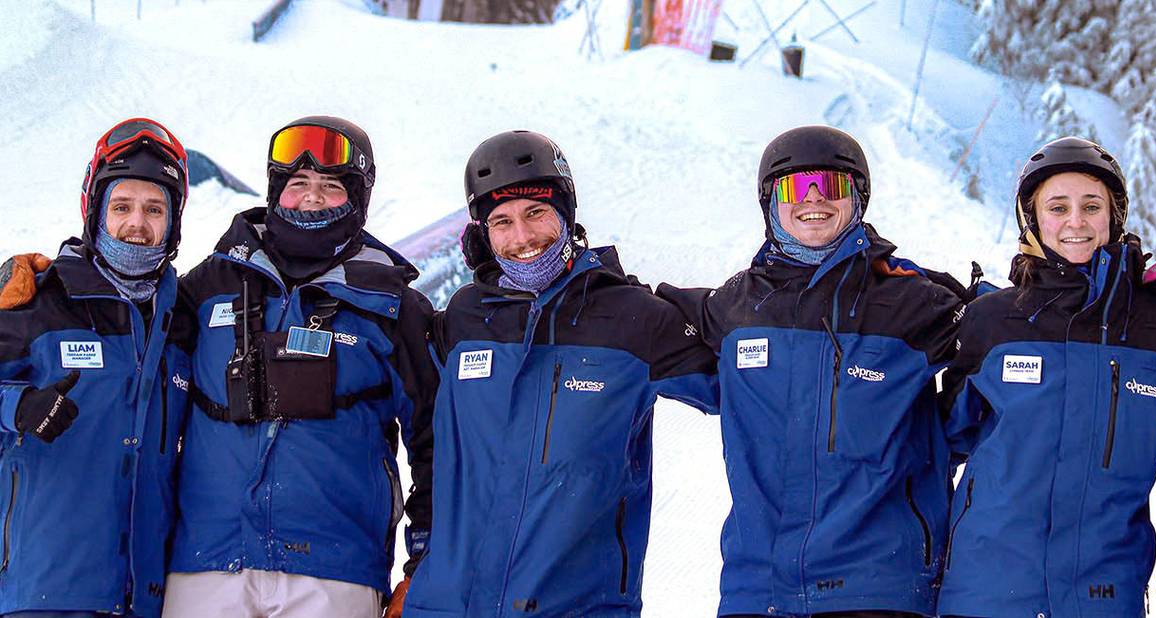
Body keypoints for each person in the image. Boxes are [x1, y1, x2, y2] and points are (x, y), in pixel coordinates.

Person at [400, 130, 717, 618]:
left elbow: (749, 378)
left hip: (574, 606)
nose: (522, 238)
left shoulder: (633, 319)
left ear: (565, 213)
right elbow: (413, 427)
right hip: (446, 605)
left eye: (535, 213)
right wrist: (418, 566)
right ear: (482, 233)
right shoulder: (465, 317)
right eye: (501, 222)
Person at [658, 126, 965, 617]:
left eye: (831, 185)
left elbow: (1013, 331)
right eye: (796, 188)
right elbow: (638, 332)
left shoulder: (911, 300)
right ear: (771, 203)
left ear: (857, 198)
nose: (814, 199)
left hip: (880, 589)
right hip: (759, 592)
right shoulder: (737, 307)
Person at [161, 116, 437, 618]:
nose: (311, 197)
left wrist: (424, 563)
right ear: (275, 191)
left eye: (330, 187)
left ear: (358, 199)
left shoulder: (395, 307)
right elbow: (124, 347)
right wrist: (52, 291)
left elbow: (437, 444)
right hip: (205, 564)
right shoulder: (205, 288)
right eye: (297, 184)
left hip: (334, 573)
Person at [937, 137, 1156, 618]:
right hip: (987, 594)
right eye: (1058, 207)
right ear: (1032, 220)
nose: (1076, 222)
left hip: (1104, 595)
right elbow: (937, 442)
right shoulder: (991, 321)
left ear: (1114, 217)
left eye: (1091, 206)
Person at [0, 118, 190, 616]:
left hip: (147, 597)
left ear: (173, 223)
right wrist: (17, 406)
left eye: (155, 210)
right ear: (94, 210)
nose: (137, 224)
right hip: (43, 590)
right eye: (121, 206)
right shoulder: (35, 303)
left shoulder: (184, 320)